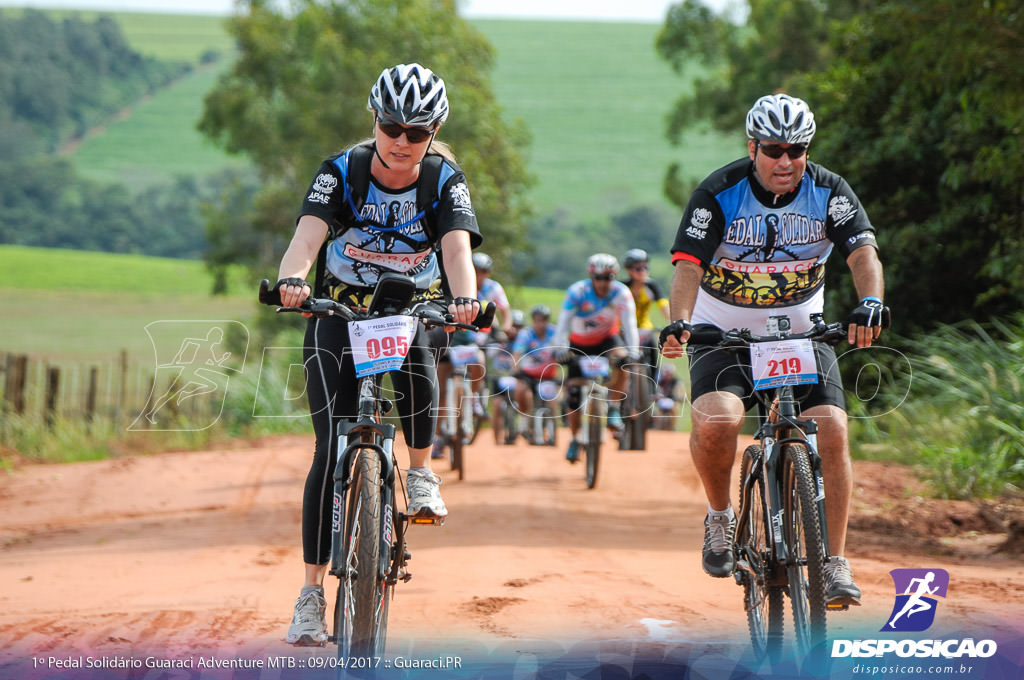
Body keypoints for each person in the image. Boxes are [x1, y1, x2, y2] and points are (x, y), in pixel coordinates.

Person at [272, 63, 482, 646]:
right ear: (375, 120)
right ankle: (311, 595)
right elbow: (306, 240)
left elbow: (456, 248)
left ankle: (418, 473)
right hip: (338, 312)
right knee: (327, 449)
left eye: (417, 132)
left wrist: (466, 297)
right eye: (392, 126)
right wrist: (291, 280)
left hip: (407, 306)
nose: (402, 141)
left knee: (418, 343)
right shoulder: (341, 171)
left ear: (435, 131)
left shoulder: (444, 179)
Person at [659, 94, 889, 607]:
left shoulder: (830, 191)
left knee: (831, 428)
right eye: (774, 150)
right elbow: (689, 266)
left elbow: (862, 252)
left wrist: (871, 301)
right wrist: (680, 321)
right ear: (753, 147)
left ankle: (833, 561)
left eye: (797, 150)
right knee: (718, 421)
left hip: (800, 329)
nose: (785, 161)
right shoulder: (718, 193)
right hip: (725, 332)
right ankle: (720, 518)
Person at [554, 253, 640, 462]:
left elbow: (629, 325)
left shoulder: (621, 292)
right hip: (578, 344)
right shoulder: (577, 292)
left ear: (614, 277)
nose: (603, 283)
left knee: (624, 360)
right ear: (591, 276)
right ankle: (575, 438)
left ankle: (613, 407)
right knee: (574, 392)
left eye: (608, 278)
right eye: (598, 278)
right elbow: (563, 323)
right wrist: (560, 349)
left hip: (607, 340)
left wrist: (634, 351)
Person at [510, 304, 560, 438]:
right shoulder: (526, 334)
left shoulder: (555, 333)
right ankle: (524, 419)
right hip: (528, 375)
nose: (540, 324)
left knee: (552, 401)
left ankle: (552, 431)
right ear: (533, 321)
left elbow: (563, 348)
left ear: (547, 320)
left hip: (548, 376)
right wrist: (515, 369)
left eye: (543, 320)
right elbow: (517, 353)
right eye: (537, 320)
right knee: (521, 390)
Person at [622, 248, 670, 373]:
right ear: (629, 271)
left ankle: (654, 387)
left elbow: (663, 305)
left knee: (654, 355)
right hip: (623, 328)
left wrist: (672, 323)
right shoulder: (623, 288)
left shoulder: (651, 286)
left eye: (645, 267)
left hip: (644, 327)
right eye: (638, 269)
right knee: (618, 358)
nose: (643, 271)